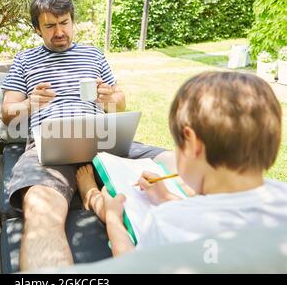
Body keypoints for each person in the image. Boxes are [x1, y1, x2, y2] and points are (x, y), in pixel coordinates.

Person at [1, 0, 170, 271]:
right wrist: (30, 104)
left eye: (64, 22)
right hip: (49, 145)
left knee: (172, 162)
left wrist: (110, 99)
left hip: (102, 136)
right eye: (50, 26)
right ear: (37, 29)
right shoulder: (24, 61)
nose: (59, 32)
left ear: (73, 21)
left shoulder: (94, 55)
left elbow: (119, 101)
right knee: (41, 209)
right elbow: (8, 114)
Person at [76, 71, 287, 257]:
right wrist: (166, 197)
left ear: (192, 143)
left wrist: (113, 220)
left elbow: (131, 266)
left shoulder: (168, 222)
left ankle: (92, 196)